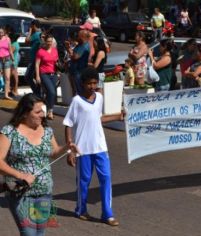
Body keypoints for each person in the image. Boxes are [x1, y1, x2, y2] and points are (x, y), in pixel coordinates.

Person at [0, 93, 80, 235]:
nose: (43, 114)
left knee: (40, 233)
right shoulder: (10, 131)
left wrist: (67, 147)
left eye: (43, 110)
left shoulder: (47, 131)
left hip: (44, 192)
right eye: (38, 112)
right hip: (21, 193)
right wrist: (21, 175)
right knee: (29, 233)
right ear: (25, 113)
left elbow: (54, 152)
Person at [63, 66, 121, 227]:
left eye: (95, 83)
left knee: (106, 178)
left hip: (100, 147)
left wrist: (118, 116)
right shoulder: (76, 101)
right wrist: (70, 150)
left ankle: (107, 214)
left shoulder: (100, 98)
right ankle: (81, 209)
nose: (93, 86)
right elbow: (68, 124)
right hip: (83, 149)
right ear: (82, 83)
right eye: (89, 83)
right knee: (84, 181)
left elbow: (98, 119)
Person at [35, 34, 59, 120]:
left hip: (53, 74)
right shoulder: (40, 51)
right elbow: (37, 64)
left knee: (51, 93)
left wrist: (58, 71)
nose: (49, 43)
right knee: (51, 92)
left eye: (51, 41)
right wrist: (37, 76)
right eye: (48, 41)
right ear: (45, 41)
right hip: (44, 74)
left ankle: (47, 109)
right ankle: (50, 111)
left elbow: (56, 62)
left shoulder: (55, 50)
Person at [66, 29, 90, 94]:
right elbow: (73, 55)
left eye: (78, 35)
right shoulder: (80, 45)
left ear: (82, 36)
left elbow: (75, 57)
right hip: (74, 71)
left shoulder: (84, 46)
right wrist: (68, 48)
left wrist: (70, 50)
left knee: (79, 90)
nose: (76, 37)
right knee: (75, 89)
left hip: (79, 71)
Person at [25, 20, 42, 97]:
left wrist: (30, 31)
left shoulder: (36, 34)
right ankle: (38, 92)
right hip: (35, 58)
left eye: (31, 26)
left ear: (34, 26)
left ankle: (37, 92)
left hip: (34, 59)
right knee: (36, 76)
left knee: (28, 76)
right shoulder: (40, 34)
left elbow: (27, 40)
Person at [0, 27, 15, 100]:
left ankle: (6, 94)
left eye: (1, 32)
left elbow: (10, 50)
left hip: (7, 59)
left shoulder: (7, 39)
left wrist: (13, 59)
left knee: (7, 77)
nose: (0, 33)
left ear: (4, 32)